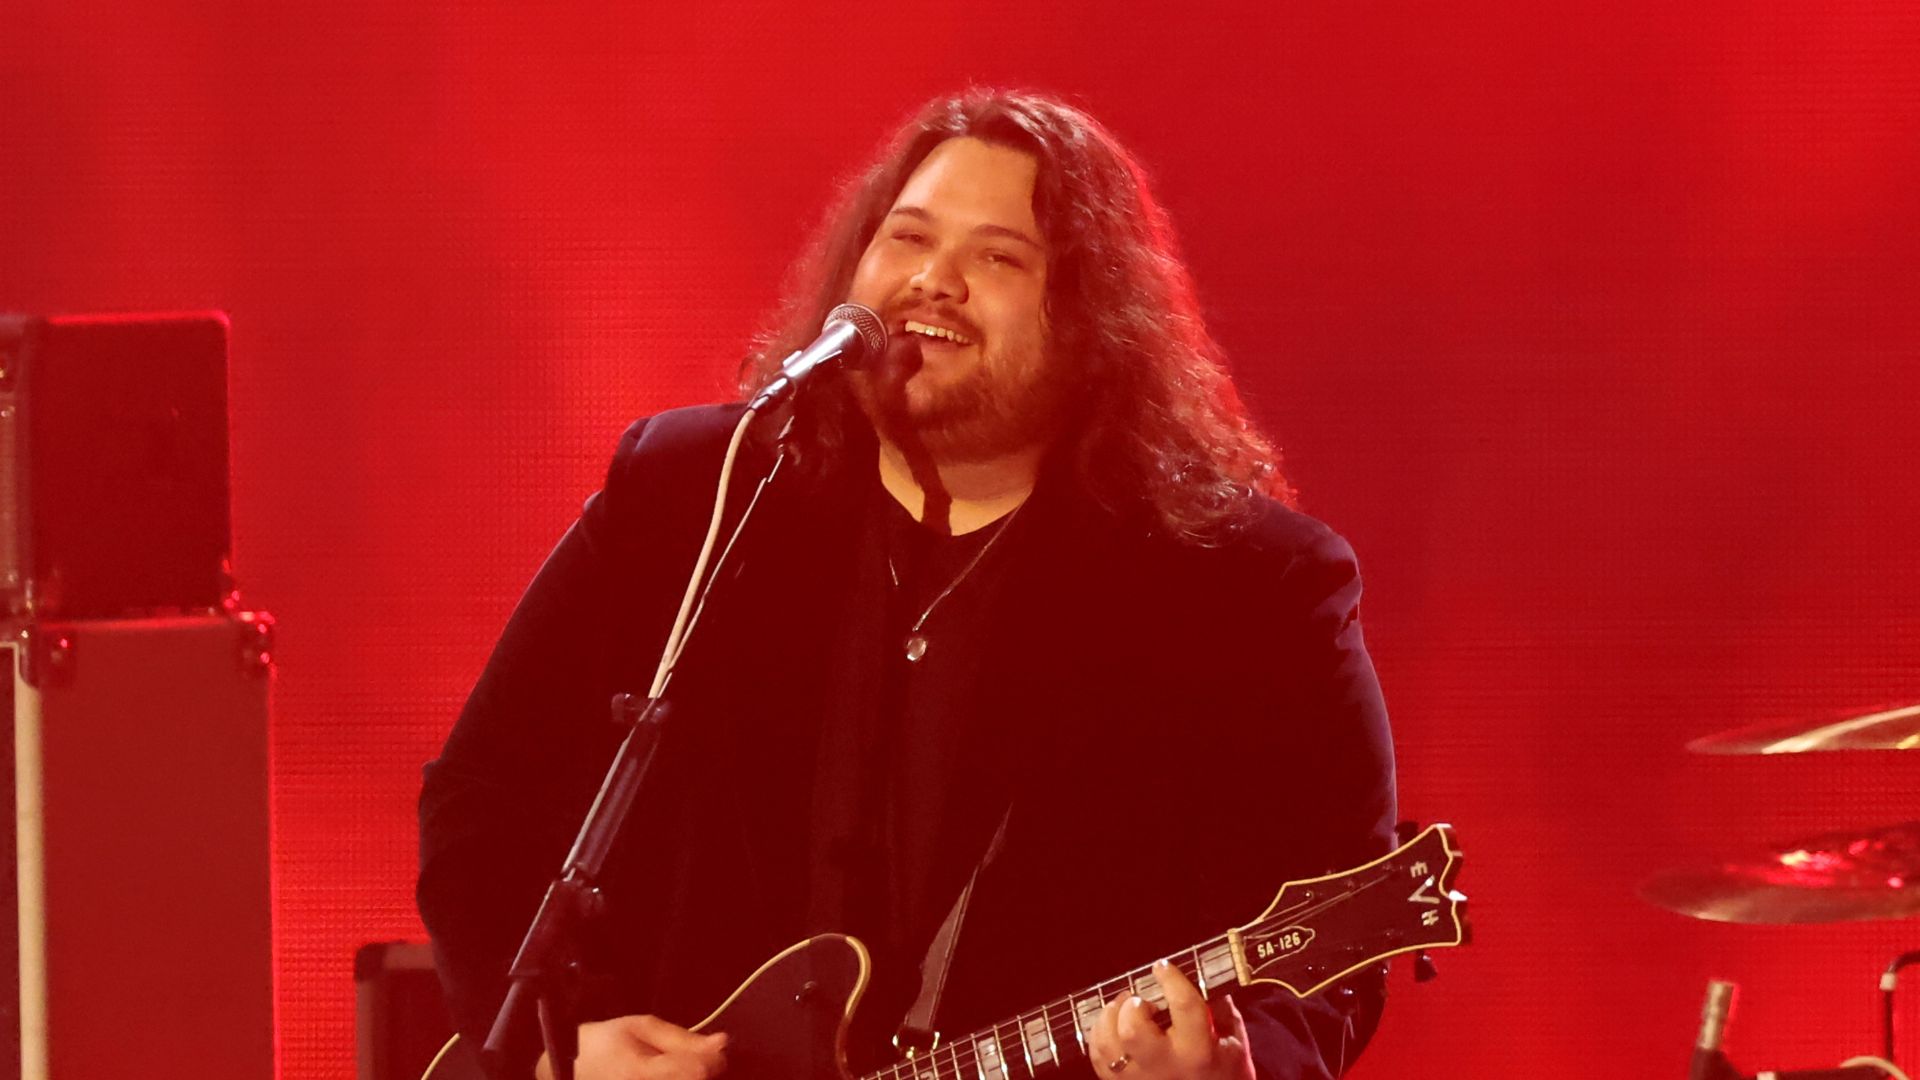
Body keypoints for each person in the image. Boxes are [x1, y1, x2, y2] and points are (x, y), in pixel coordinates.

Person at [418, 88, 1397, 1080]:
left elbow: (1330, 961)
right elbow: (482, 796)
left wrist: (1232, 1071)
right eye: (908, 238)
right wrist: (559, 1044)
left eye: (998, 258)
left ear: (1094, 319)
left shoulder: (1247, 589)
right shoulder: (699, 496)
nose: (933, 282)